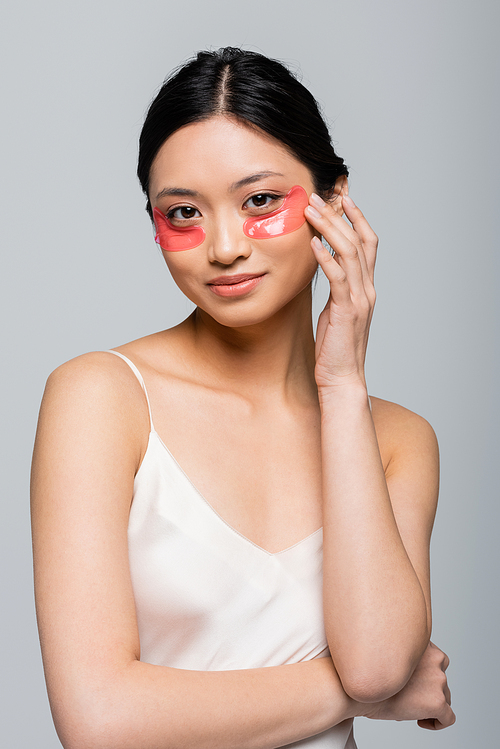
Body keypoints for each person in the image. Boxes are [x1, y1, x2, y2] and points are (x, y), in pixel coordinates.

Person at [30, 47, 455, 749]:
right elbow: (98, 720)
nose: (223, 246)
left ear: (335, 201)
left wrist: (343, 385)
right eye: (184, 213)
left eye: (260, 200)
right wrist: (357, 693)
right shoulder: (100, 398)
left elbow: (378, 660)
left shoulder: (399, 439)